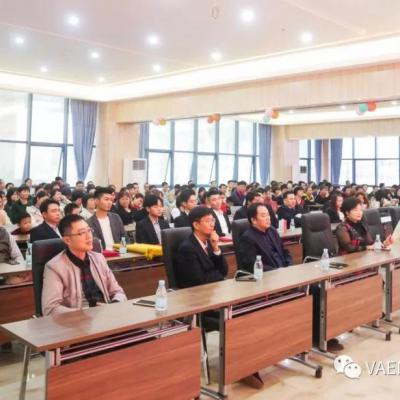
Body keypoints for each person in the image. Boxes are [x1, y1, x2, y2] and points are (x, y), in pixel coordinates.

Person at [41, 214, 127, 316]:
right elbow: (50, 309)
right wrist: (86, 314)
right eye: (82, 233)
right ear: (67, 240)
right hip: (76, 321)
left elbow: (118, 292)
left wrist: (114, 305)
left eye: (89, 230)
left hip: (106, 315)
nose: (89, 236)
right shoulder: (55, 267)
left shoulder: (98, 258)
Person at [174, 206, 228, 288]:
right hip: (196, 293)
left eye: (213, 220)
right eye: (208, 221)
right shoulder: (187, 248)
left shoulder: (210, 242)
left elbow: (224, 271)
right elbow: (199, 280)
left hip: (213, 288)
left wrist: (216, 248)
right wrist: (219, 274)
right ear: (196, 225)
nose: (212, 224)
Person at [238, 204, 292, 273]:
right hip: (268, 275)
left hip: (284, 271)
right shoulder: (247, 238)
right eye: (263, 216)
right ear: (254, 220)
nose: (268, 218)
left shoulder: (272, 230)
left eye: (268, 215)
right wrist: (276, 272)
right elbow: (252, 264)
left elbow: (284, 251)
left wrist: (289, 266)